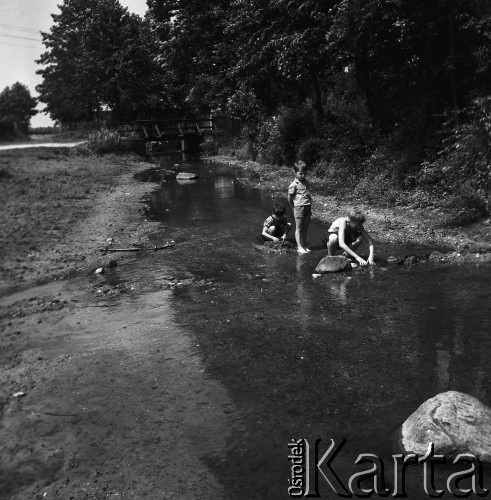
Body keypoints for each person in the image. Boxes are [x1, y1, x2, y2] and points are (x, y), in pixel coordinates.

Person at [288, 161, 312, 253]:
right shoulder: (293, 185)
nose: (303, 175)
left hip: (307, 206)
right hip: (298, 207)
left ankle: (304, 245)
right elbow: (289, 198)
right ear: (295, 172)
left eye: (304, 174)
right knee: (299, 228)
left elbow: (307, 193)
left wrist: (310, 200)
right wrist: (293, 207)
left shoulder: (306, 182)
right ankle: (299, 247)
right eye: (300, 173)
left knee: (306, 227)